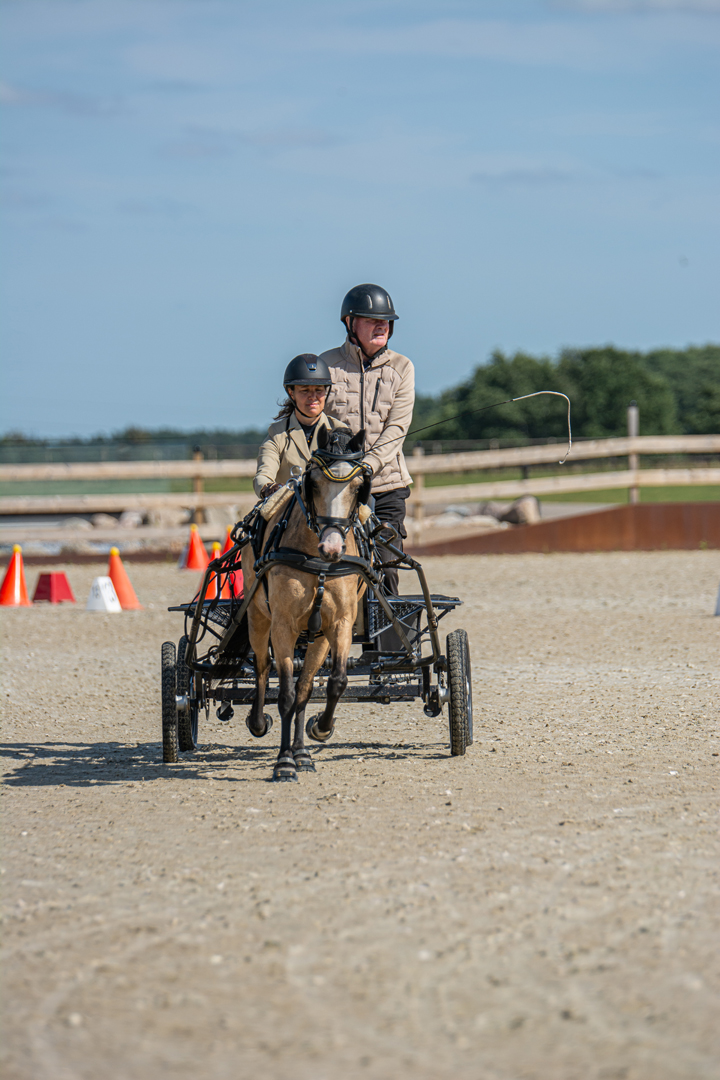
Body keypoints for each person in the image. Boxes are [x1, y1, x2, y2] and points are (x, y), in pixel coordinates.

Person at [318, 283, 415, 593]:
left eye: (386, 320)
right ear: (350, 323)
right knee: (327, 565)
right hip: (336, 486)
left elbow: (396, 429)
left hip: (386, 485)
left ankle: (387, 639)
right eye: (372, 320)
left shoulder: (402, 368)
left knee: (387, 566)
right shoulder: (327, 366)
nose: (381, 325)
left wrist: (369, 465)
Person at [254, 354, 348, 498]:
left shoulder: (340, 431)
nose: (313, 397)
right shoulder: (277, 434)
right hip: (288, 508)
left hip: (330, 511)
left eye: (319, 390)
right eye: (305, 390)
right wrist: (269, 488)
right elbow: (263, 475)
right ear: (291, 393)